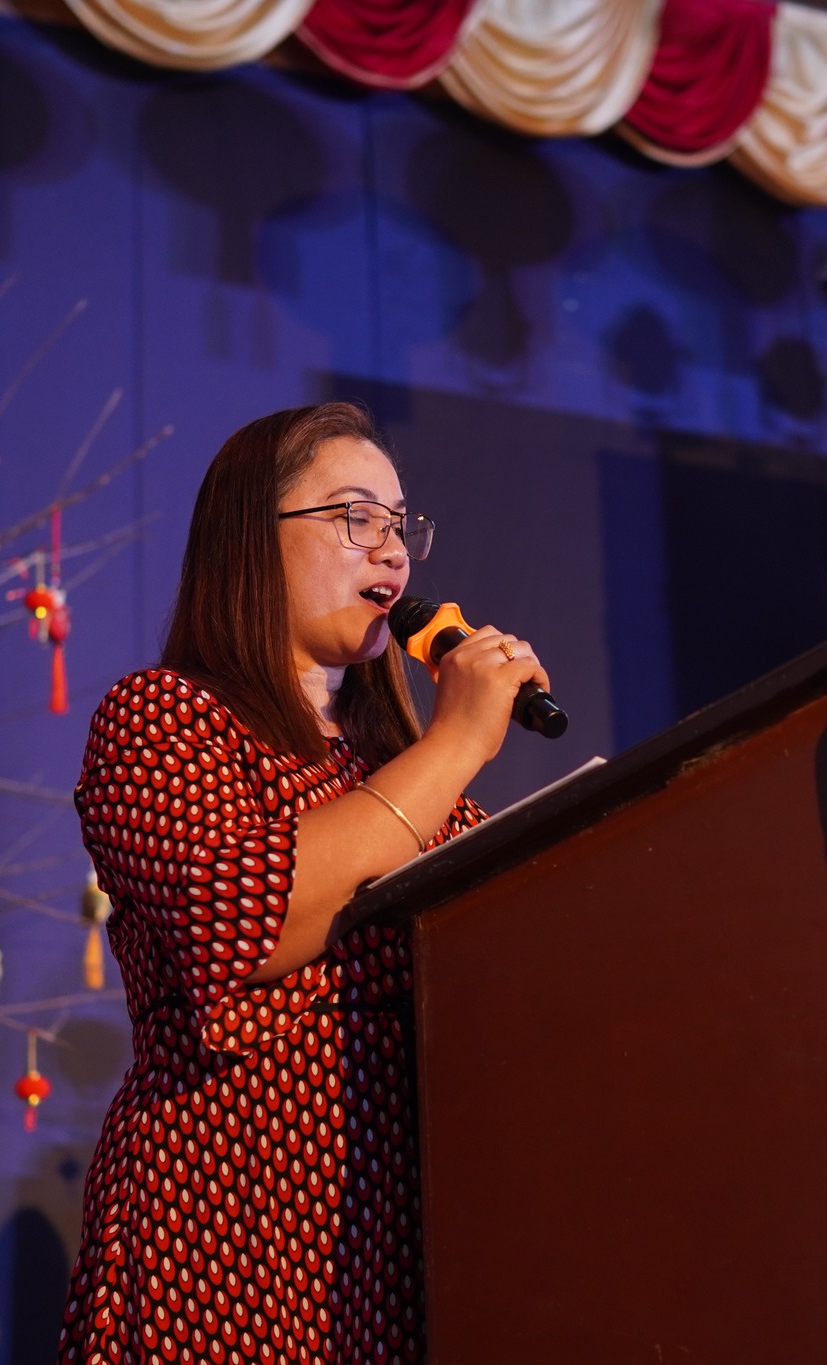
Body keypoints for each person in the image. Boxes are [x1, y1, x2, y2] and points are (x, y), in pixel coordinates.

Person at [58, 402, 550, 1364]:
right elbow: (249, 919)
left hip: (398, 1239)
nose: (394, 552)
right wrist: (457, 739)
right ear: (251, 538)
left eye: (401, 524)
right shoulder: (163, 718)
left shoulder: (397, 769)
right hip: (227, 1230)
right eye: (355, 516)